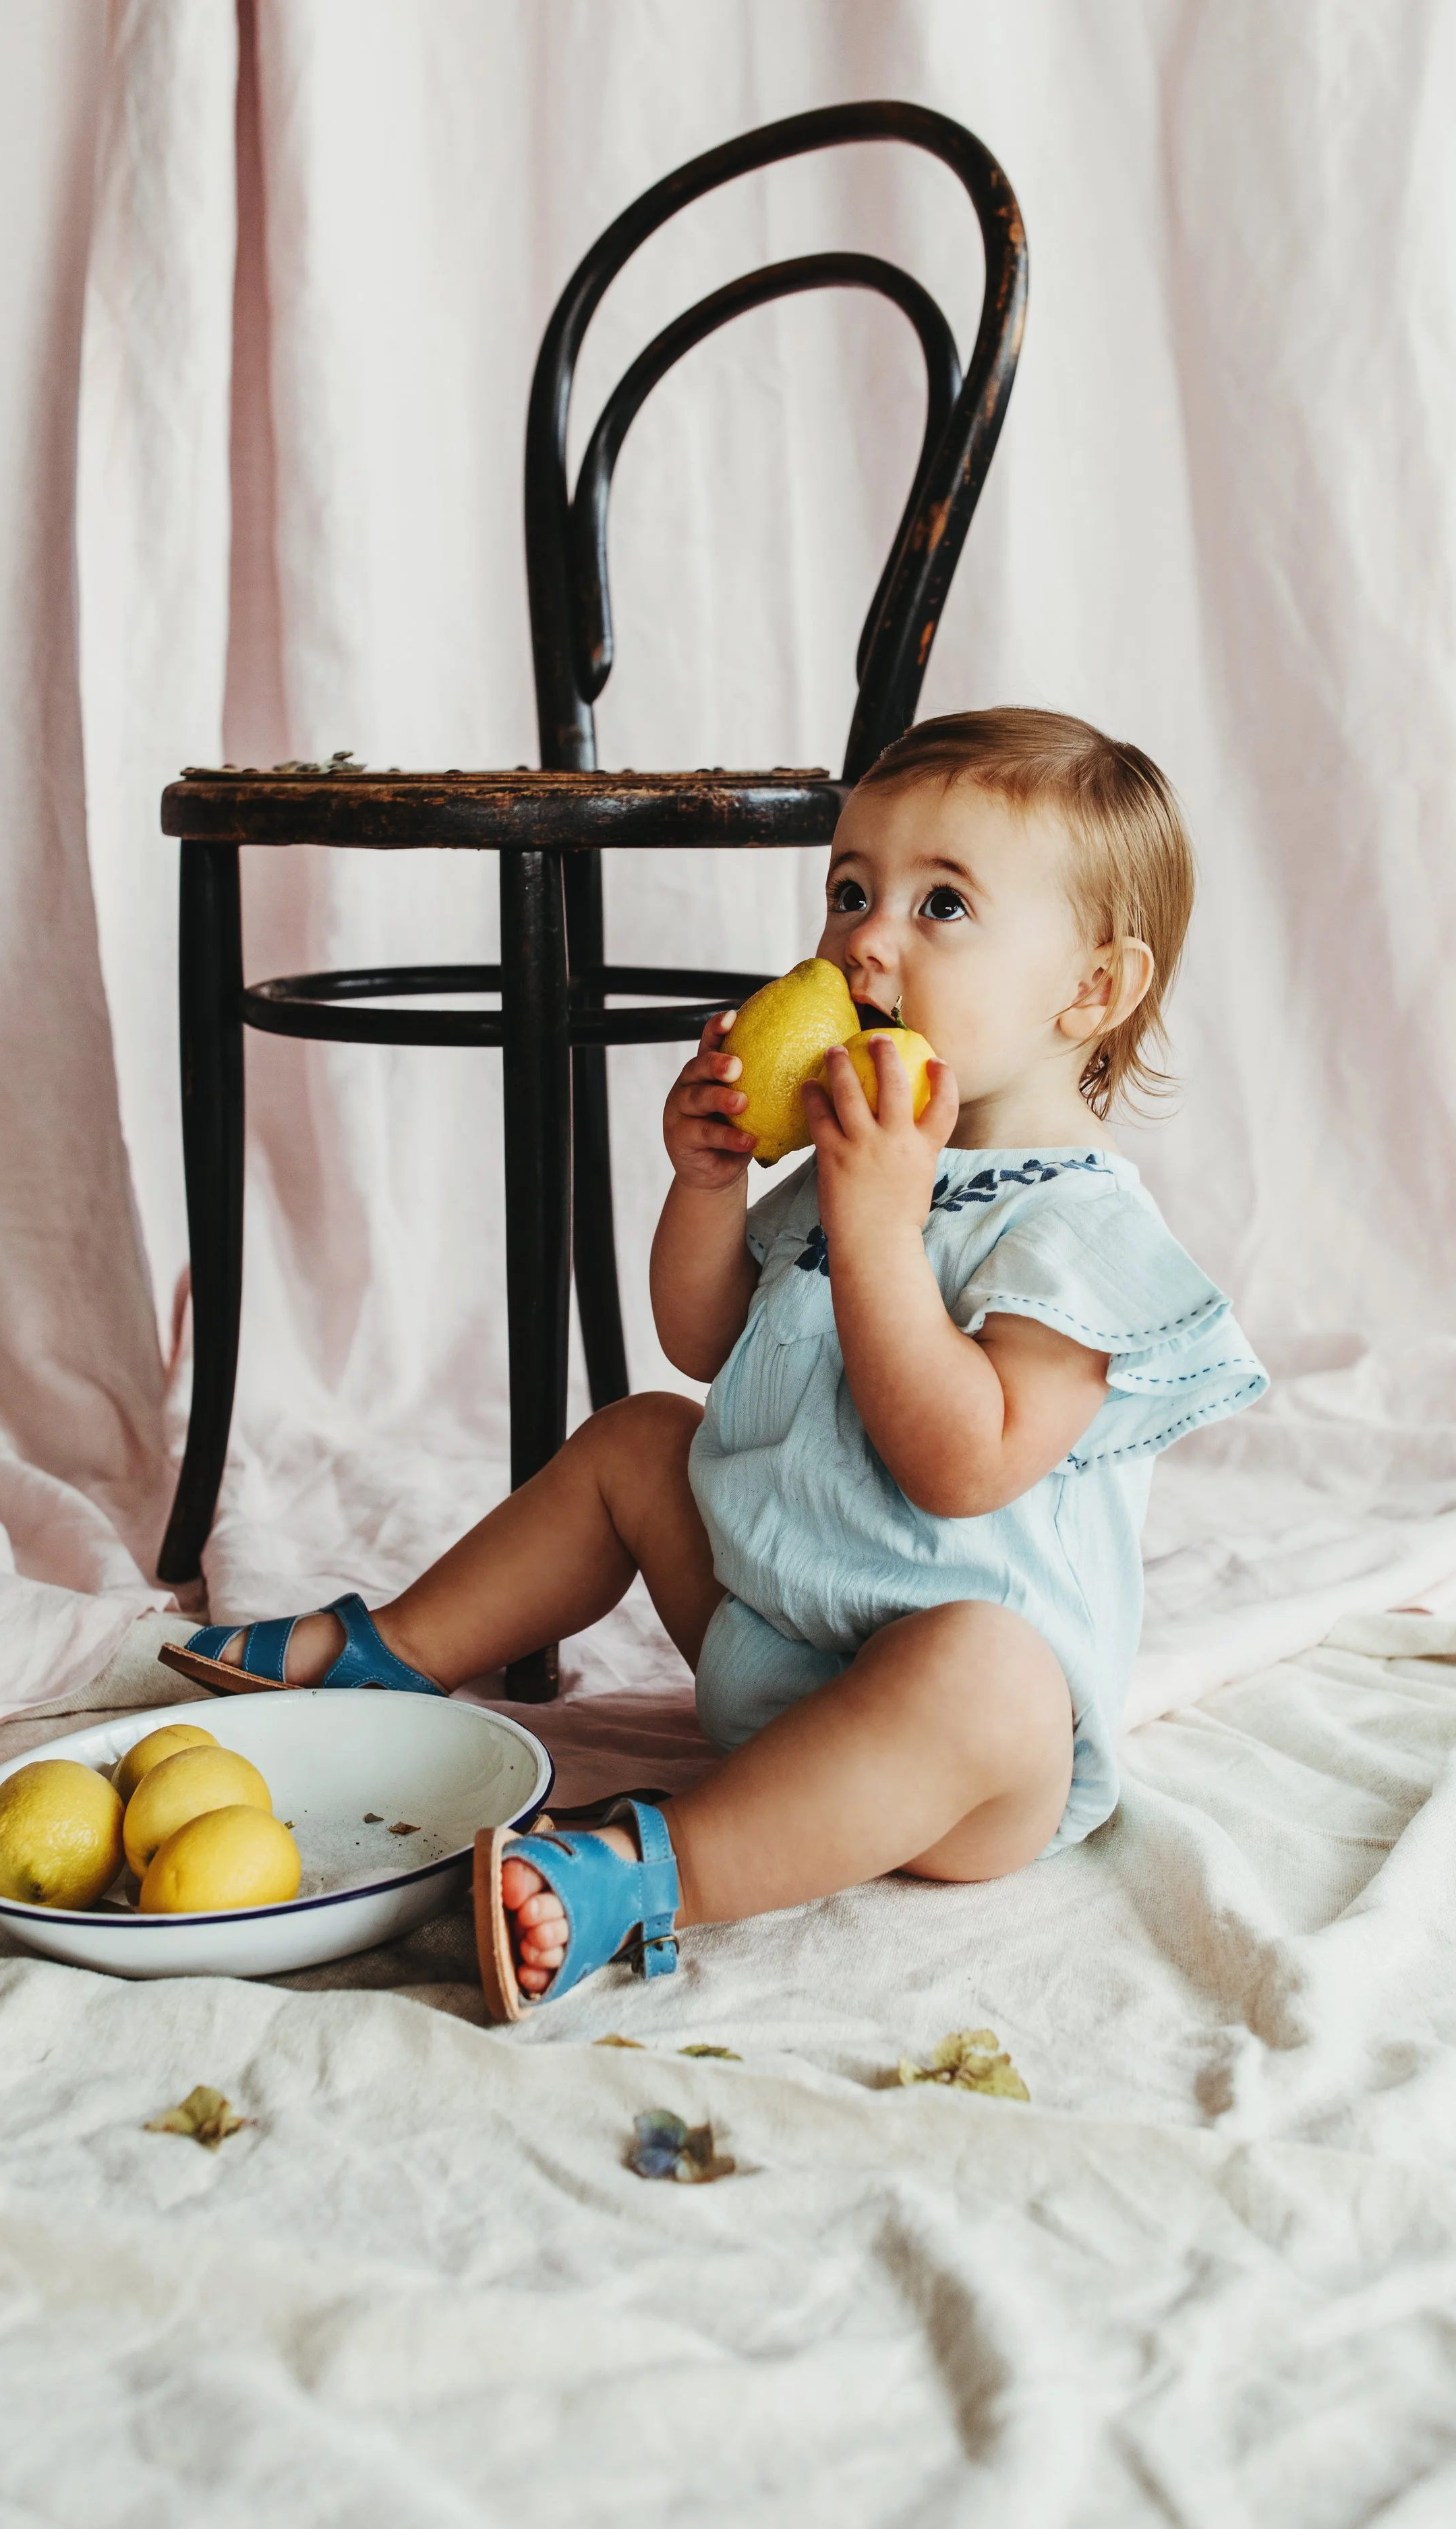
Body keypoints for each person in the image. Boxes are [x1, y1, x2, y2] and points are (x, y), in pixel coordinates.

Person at [161, 708, 1267, 2021]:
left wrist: (873, 1225)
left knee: (991, 1667)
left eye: (941, 906)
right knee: (637, 1437)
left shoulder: (1079, 1232)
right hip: (765, 1643)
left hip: (957, 1758)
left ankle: (640, 1874)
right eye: (849, 890)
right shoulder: (856, 1155)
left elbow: (962, 1463)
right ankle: (385, 1654)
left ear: (1089, 988)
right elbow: (702, 1337)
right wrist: (709, 1182)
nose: (864, 938)